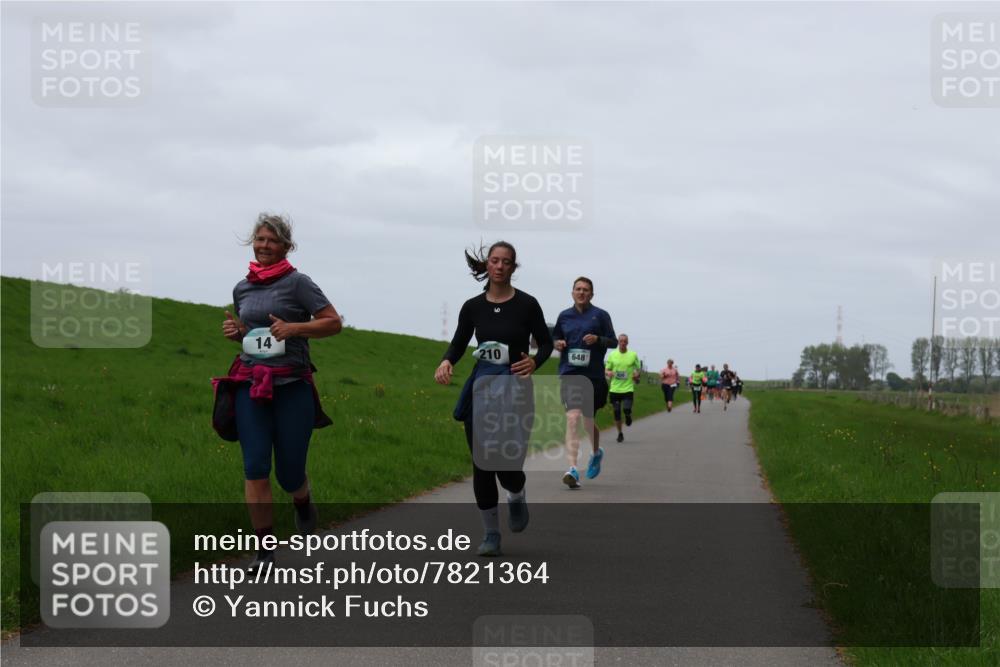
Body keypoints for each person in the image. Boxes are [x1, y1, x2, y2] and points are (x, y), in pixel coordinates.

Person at [215, 213, 342, 572]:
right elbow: (255, 335)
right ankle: (265, 552)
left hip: (291, 385)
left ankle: (301, 498)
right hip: (251, 382)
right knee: (255, 466)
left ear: (286, 246)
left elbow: (333, 322)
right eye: (259, 239)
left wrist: (295, 327)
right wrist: (238, 333)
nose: (264, 246)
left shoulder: (298, 283)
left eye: (271, 240)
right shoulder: (243, 287)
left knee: (288, 473)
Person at [435, 242, 553, 557]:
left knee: (507, 465)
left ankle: (516, 494)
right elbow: (459, 342)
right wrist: (447, 361)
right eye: (494, 261)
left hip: (515, 390)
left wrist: (534, 362)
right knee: (482, 464)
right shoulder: (473, 306)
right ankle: (491, 534)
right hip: (482, 388)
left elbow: (545, 343)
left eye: (506, 262)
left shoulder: (527, 305)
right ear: (487, 265)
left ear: (514, 268)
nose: (499, 266)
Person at [552, 277, 616, 489]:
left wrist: (598, 339)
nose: (581, 292)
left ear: (591, 294)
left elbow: (613, 342)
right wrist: (558, 344)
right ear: (572, 292)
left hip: (594, 377)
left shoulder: (601, 315)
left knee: (588, 421)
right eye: (578, 289)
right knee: (572, 418)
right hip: (570, 374)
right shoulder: (564, 316)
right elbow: (555, 339)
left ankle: (596, 452)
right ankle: (572, 469)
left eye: (586, 290)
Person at [605, 334, 641, 443]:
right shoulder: (612, 355)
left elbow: (638, 369)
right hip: (615, 389)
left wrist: (636, 374)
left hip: (628, 388)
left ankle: (628, 415)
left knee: (626, 408)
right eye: (621, 341)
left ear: (627, 342)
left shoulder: (633, 355)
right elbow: (606, 369)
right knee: (616, 412)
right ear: (618, 342)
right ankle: (620, 433)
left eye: (625, 341)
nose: (623, 343)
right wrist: (609, 372)